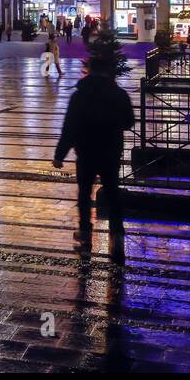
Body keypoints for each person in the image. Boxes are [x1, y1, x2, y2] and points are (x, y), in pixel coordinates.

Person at [53, 56, 135, 259]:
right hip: (110, 151)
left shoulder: (79, 96)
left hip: (86, 151)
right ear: (107, 71)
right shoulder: (119, 94)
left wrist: (60, 154)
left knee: (84, 194)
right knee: (113, 192)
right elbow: (129, 122)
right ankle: (117, 235)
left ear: (89, 71)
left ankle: (85, 234)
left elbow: (69, 127)